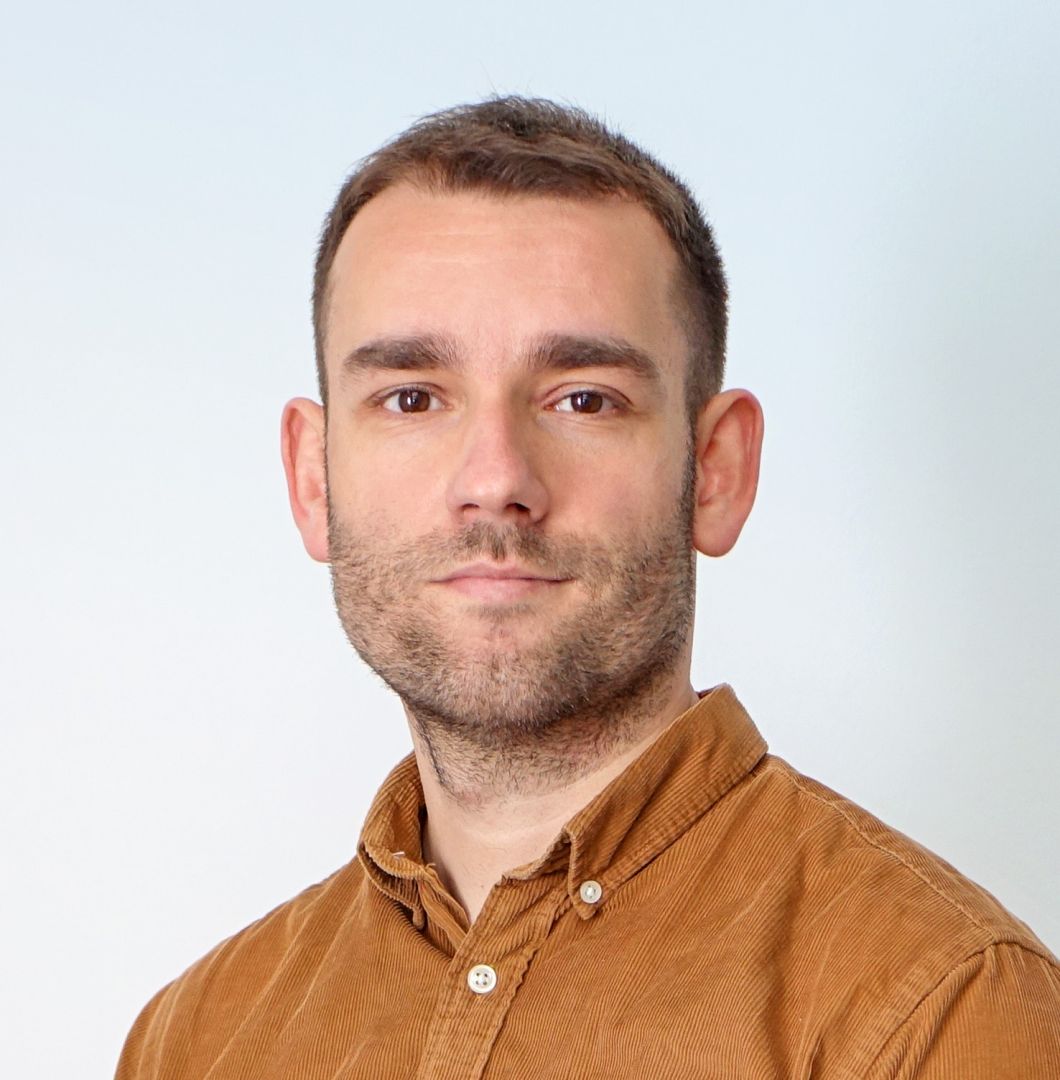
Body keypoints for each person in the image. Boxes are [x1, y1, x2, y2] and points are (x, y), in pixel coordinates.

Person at [116, 96, 1060, 1079]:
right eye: (411, 398)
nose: (495, 479)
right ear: (313, 480)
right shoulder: (195, 1038)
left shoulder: (941, 1012)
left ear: (716, 471)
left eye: (582, 400)